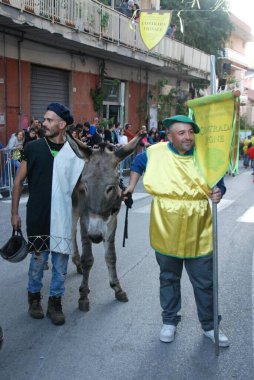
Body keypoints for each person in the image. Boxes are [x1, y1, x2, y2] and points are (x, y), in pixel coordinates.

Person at [123, 115, 229, 347]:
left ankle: (210, 326)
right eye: (181, 133)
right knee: (168, 278)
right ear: (169, 135)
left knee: (204, 282)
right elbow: (137, 164)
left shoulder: (205, 155)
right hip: (166, 225)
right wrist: (131, 186)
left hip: (198, 226)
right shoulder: (156, 152)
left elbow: (218, 182)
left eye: (191, 132)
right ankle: (169, 321)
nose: (188, 137)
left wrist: (218, 192)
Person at [11, 102, 84, 326]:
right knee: (38, 261)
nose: (44, 123)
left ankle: (55, 302)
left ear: (62, 125)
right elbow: (18, 182)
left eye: (50, 120)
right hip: (38, 214)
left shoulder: (73, 152)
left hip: (63, 216)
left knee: (61, 264)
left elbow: (78, 186)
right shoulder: (32, 148)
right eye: (45, 119)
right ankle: (34, 298)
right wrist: (14, 213)